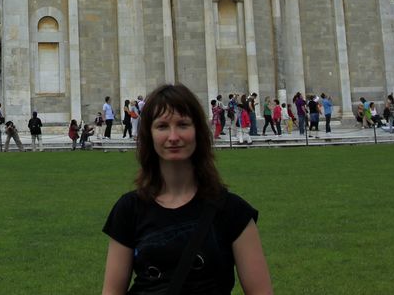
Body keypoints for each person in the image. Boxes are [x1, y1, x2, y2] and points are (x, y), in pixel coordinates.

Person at [100, 84, 272, 295]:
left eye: (182, 124)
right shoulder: (129, 209)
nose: (173, 137)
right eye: (162, 126)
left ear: (198, 132)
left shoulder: (233, 211)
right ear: (149, 135)